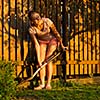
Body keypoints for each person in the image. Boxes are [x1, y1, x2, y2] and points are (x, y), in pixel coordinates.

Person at [28, 11, 67, 90]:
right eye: (31, 20)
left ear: (38, 18)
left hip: (52, 41)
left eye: (33, 20)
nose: (32, 22)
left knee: (48, 60)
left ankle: (48, 84)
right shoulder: (32, 29)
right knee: (41, 62)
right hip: (42, 42)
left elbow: (56, 33)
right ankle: (42, 84)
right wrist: (38, 60)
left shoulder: (47, 21)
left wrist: (62, 45)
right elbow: (36, 44)